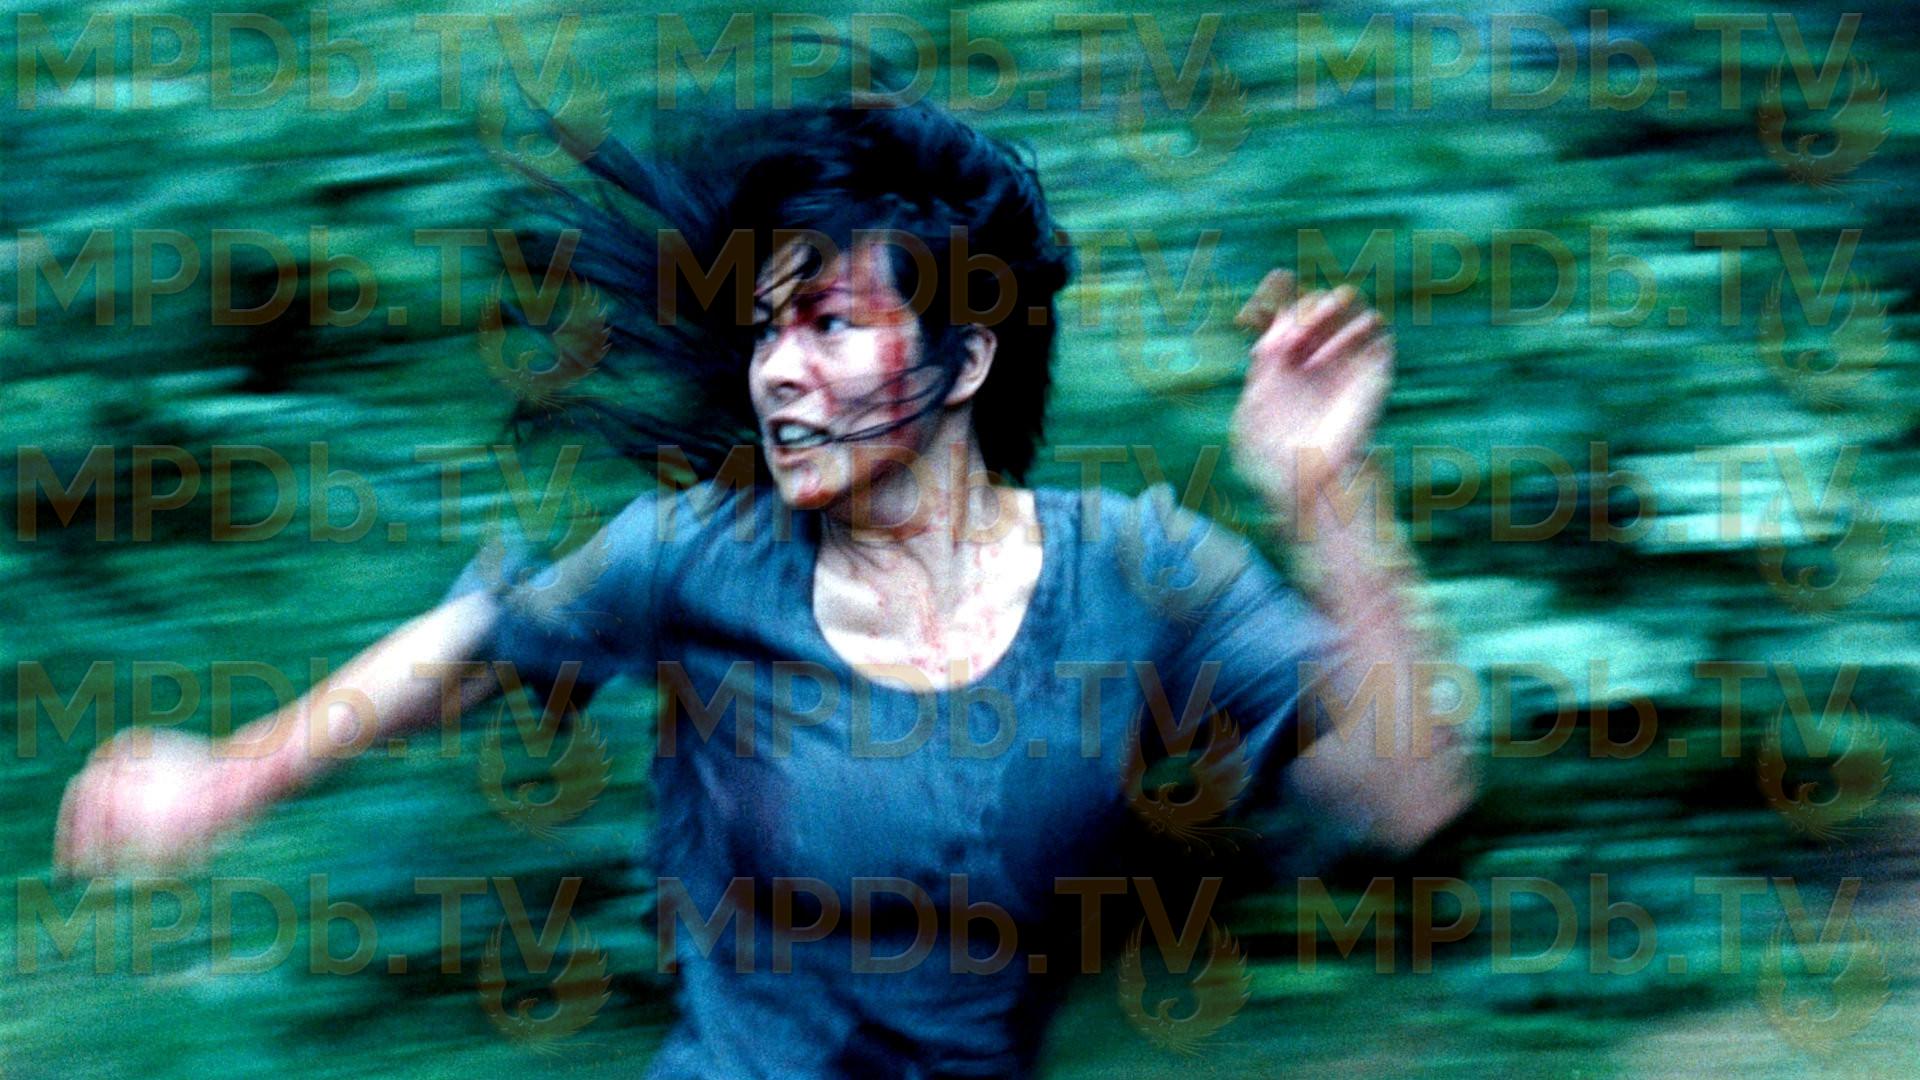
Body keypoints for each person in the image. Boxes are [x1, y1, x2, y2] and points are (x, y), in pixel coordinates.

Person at [53, 95, 1473, 1077]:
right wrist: (228, 776)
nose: (777, 370)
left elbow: (1409, 798)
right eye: (764, 330)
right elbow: (474, 645)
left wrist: (1327, 495)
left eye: (828, 324)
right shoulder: (702, 559)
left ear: (965, 359)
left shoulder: (1136, 574)